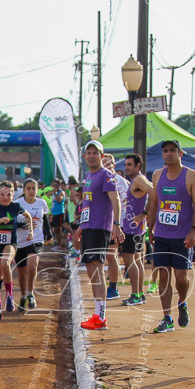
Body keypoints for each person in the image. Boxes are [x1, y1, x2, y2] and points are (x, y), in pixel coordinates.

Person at [145, 140, 195, 333]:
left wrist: (194, 229)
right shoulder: (157, 175)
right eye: (165, 151)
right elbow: (154, 203)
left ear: (180, 153)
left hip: (182, 236)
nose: (168, 154)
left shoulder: (192, 176)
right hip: (162, 234)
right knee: (163, 276)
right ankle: (167, 318)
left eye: (172, 151)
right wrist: (150, 228)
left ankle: (182, 302)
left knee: (180, 278)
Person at [76, 141, 124, 330]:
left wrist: (117, 224)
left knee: (96, 269)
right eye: (88, 152)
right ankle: (97, 313)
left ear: (102, 156)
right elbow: (88, 204)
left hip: (100, 228)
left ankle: (101, 316)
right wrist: (82, 224)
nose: (92, 156)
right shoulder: (88, 175)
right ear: (85, 156)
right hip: (89, 227)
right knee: (90, 270)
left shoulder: (106, 175)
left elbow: (116, 199)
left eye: (95, 153)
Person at [0, 181, 23, 321]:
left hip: (10, 243)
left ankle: (10, 295)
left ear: (13, 195)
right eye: (3, 194)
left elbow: (27, 217)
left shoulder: (16, 206)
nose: (6, 197)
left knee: (5, 263)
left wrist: (29, 227)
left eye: (9, 194)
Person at [119, 153, 152, 306]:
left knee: (130, 259)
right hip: (136, 226)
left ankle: (136, 294)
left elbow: (154, 192)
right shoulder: (137, 179)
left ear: (138, 166)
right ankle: (139, 294)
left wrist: (145, 213)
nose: (126, 168)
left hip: (132, 227)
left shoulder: (139, 179)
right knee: (137, 260)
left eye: (129, 165)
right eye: (125, 165)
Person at [14, 179, 46, 310]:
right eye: (28, 188)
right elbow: (12, 223)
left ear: (37, 190)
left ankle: (30, 293)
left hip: (36, 239)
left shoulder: (42, 203)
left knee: (33, 266)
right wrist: (25, 224)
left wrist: (49, 234)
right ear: (24, 190)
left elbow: (45, 220)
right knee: (21, 275)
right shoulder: (17, 204)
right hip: (20, 241)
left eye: (34, 188)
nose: (31, 191)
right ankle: (22, 296)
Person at [101, 153, 127, 301]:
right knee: (105, 255)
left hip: (115, 224)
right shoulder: (99, 178)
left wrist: (118, 224)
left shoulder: (120, 182)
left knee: (112, 254)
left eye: (108, 164)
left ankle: (113, 287)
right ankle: (109, 283)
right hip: (101, 223)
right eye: (103, 164)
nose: (106, 167)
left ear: (114, 165)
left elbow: (122, 204)